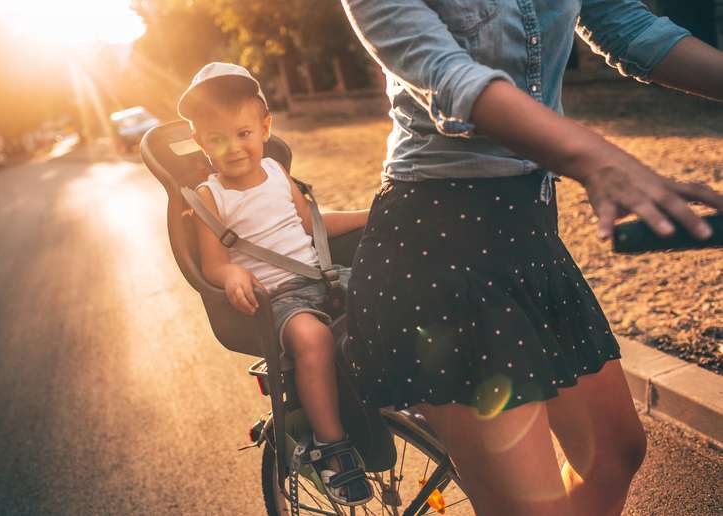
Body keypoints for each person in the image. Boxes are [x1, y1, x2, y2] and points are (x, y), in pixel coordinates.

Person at [340, 1, 723, 515]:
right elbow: (451, 79)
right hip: (438, 253)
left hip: (530, 231)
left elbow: (623, 24)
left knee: (615, 452)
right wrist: (594, 157)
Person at [177, 62, 372, 506]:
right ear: (199, 142)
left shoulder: (278, 173)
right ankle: (332, 445)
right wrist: (233, 274)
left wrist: (368, 214)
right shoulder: (210, 197)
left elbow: (313, 225)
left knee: (390, 289)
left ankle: (409, 390)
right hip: (280, 300)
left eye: (243, 133)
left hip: (323, 278)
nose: (233, 148)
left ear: (266, 127)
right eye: (217, 139)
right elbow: (213, 263)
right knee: (312, 337)